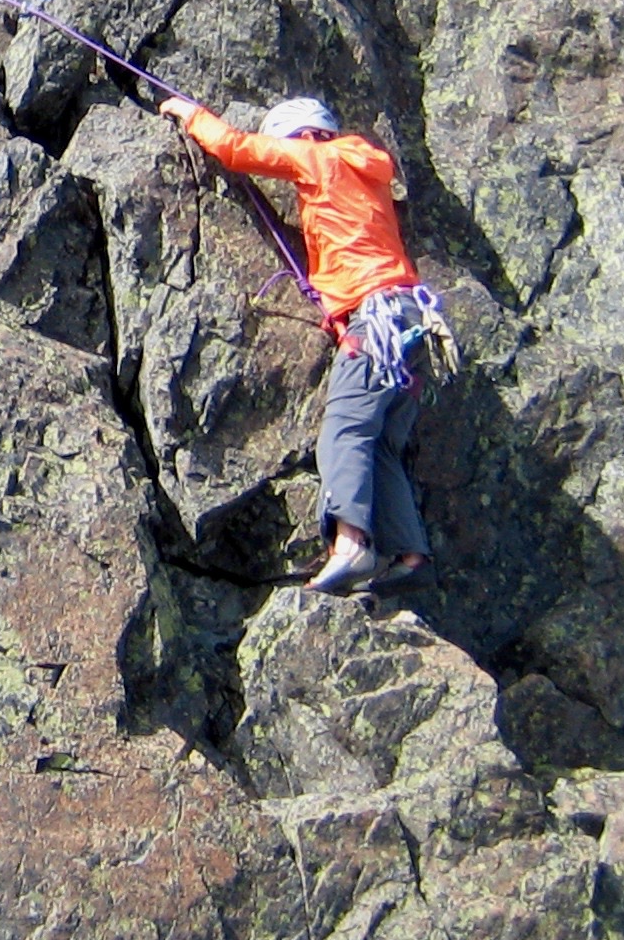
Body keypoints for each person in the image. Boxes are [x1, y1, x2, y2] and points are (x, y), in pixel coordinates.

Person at [157, 92, 443, 595]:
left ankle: (353, 544)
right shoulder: (364, 169)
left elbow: (236, 149)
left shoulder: (318, 156)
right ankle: (411, 554)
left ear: (304, 135)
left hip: (374, 317)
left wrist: (188, 113)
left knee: (345, 429)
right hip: (410, 320)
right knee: (381, 443)